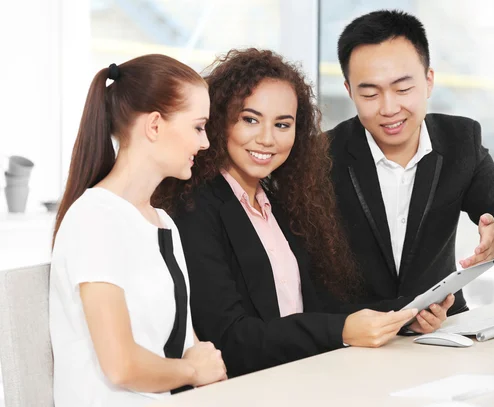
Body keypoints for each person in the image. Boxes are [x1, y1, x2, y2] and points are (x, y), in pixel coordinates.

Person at [152, 48, 420, 378]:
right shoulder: (193, 208)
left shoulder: (279, 205)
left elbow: (316, 310)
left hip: (296, 380)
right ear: (219, 120)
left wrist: (407, 313)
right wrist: (341, 331)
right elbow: (227, 338)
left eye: (282, 124)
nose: (267, 139)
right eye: (250, 119)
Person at [50, 54, 227, 407]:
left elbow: (189, 346)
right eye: (197, 126)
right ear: (155, 126)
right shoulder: (94, 218)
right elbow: (121, 365)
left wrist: (205, 373)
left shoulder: (164, 223)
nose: (205, 142)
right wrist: (193, 372)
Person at [327, 9, 494, 323]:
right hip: (353, 343)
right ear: (350, 91)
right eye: (369, 93)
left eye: (403, 89)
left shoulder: (461, 141)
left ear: (429, 81)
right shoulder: (321, 157)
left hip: (444, 329)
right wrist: (405, 318)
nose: (389, 108)